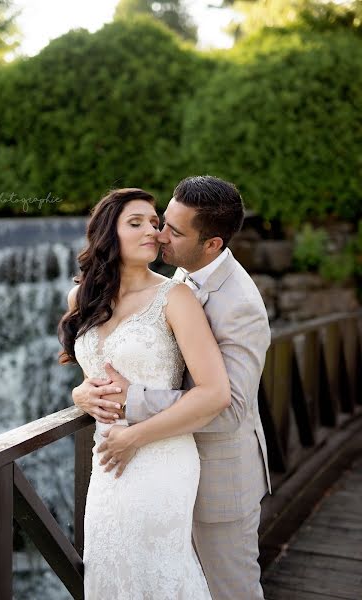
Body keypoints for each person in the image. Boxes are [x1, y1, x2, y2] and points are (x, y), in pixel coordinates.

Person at [73, 176, 272, 600]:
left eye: (171, 230)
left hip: (216, 471)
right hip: (125, 470)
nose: (158, 234)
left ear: (212, 244)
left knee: (229, 590)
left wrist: (133, 405)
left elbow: (230, 405)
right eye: (158, 221)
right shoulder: (179, 273)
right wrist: (80, 395)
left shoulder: (240, 304)